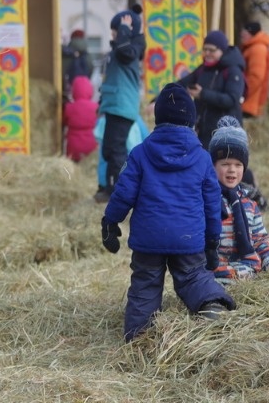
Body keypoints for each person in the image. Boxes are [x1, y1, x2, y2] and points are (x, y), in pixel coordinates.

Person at [101, 83, 236, 341]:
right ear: (192, 121)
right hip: (188, 238)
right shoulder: (202, 157)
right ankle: (211, 306)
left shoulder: (140, 154)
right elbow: (211, 202)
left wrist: (110, 222)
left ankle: (141, 335)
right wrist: (212, 240)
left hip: (149, 239)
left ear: (157, 119)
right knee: (193, 276)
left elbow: (123, 192)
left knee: (146, 284)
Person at [208, 116, 269, 283]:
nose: (232, 170)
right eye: (225, 164)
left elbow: (260, 239)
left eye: (238, 165)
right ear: (213, 166)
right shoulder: (206, 201)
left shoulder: (248, 203)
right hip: (216, 276)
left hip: (247, 274)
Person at [95, 5, 145, 202]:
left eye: (116, 32)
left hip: (122, 107)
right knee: (109, 149)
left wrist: (124, 30)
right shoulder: (121, 49)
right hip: (115, 106)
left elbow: (125, 52)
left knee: (116, 151)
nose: (114, 36)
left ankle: (119, 191)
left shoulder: (129, 51)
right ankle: (109, 187)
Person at [176, 30, 245, 149]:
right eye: (205, 49)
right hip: (203, 130)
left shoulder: (233, 71)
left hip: (226, 133)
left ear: (222, 51)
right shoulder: (203, 69)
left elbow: (232, 99)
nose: (207, 53)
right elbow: (182, 84)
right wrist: (160, 99)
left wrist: (203, 94)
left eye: (212, 50)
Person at [239, 21, 269, 119]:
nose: (241, 34)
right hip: (251, 102)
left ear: (250, 33)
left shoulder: (257, 49)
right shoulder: (253, 47)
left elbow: (256, 77)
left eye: (244, 32)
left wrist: (242, 95)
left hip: (251, 103)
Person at [64, 75, 98, 162]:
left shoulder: (69, 107)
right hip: (91, 146)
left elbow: (64, 122)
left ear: (74, 91)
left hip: (73, 148)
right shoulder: (95, 107)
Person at [62, 29, 93, 101]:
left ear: (72, 38)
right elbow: (91, 68)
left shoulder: (66, 52)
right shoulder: (88, 55)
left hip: (68, 91)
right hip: (84, 90)